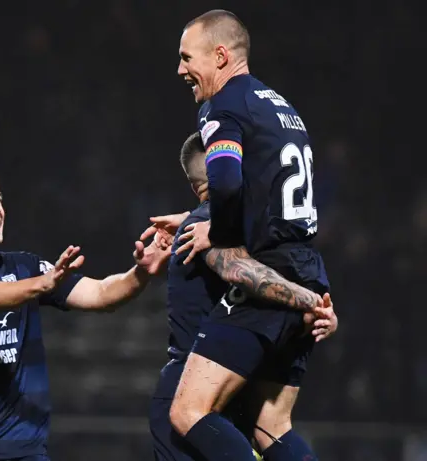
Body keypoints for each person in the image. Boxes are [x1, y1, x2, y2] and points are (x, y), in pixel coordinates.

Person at [0, 163, 170, 461]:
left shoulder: (25, 268)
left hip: (23, 452)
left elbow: (101, 295)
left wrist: (141, 273)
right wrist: (42, 284)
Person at [166, 9, 332, 461]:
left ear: (219, 56)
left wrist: (218, 236)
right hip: (306, 269)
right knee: (271, 427)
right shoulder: (281, 107)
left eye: (186, 57)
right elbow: (269, 200)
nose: (181, 69)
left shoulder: (222, 105)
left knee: (186, 411)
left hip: (266, 274)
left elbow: (225, 181)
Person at [147, 133, 337, 461]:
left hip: (200, 386)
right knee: (274, 430)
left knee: (270, 428)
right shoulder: (219, 227)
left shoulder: (217, 226)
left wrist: (313, 304)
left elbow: (244, 269)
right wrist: (314, 302)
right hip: (218, 384)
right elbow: (245, 270)